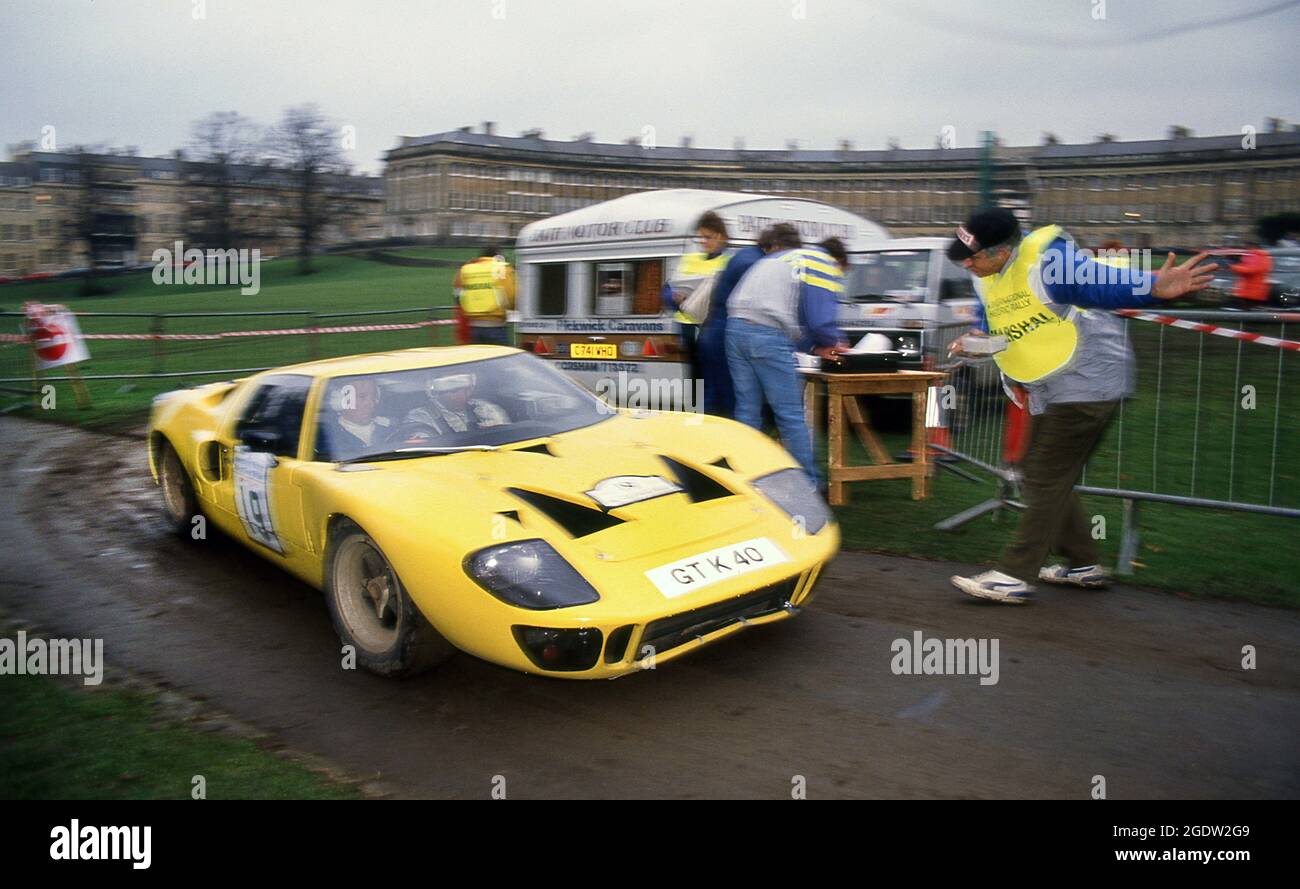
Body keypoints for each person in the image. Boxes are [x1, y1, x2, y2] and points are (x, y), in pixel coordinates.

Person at [945, 208, 1215, 604]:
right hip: (1052, 385)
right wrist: (975, 337)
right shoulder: (985, 275)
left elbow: (1100, 284)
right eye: (963, 256)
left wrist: (1154, 285)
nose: (967, 263)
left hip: (1090, 379)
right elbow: (992, 319)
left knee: (1045, 473)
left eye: (975, 256)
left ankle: (1015, 575)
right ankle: (1083, 565)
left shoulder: (1046, 261)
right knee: (1039, 472)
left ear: (1003, 252)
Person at [725, 223, 849, 484]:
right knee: (790, 414)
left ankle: (747, 479)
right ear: (838, 261)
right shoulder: (822, 262)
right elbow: (818, 320)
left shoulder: (776, 261)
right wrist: (834, 342)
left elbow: (795, 315)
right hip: (767, 333)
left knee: (747, 411)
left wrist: (814, 346)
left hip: (735, 329)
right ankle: (807, 485)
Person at [695, 227, 776, 417]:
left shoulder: (744, 255)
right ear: (774, 247)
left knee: (711, 393)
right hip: (724, 333)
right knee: (732, 395)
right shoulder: (754, 263)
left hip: (711, 331)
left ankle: (703, 437)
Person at [663, 211, 732, 402]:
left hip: (709, 327)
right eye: (700, 237)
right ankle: (697, 417)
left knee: (713, 379)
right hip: (687, 327)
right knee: (694, 381)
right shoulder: (689, 259)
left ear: (721, 236)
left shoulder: (728, 262)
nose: (703, 241)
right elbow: (667, 289)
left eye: (707, 237)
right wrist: (674, 298)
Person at [454, 242, 516, 345]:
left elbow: (457, 296)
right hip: (496, 325)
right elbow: (511, 295)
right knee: (500, 359)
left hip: (473, 327)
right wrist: (512, 309)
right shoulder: (501, 268)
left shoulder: (466, 269)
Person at [407, 372, 509, 434]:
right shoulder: (421, 416)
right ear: (437, 393)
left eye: (462, 389)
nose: (455, 395)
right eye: (451, 390)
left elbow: (505, 431)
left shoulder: (483, 408)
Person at [318, 377, 390, 460]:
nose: (370, 403)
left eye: (373, 397)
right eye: (362, 397)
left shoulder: (389, 429)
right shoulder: (328, 436)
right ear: (341, 401)